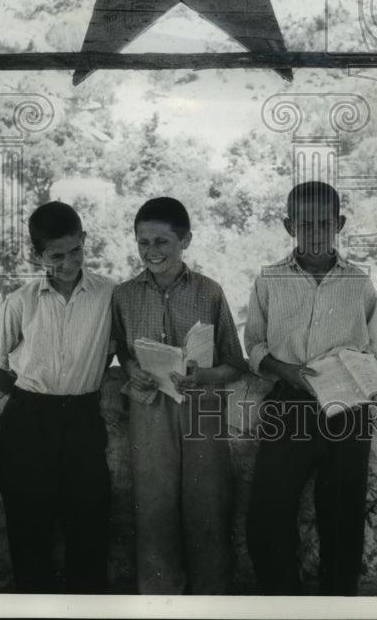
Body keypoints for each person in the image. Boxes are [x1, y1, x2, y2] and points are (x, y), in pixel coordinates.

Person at [244, 181, 377, 596]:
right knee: (268, 511)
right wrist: (283, 370)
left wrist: (358, 375)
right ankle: (283, 600)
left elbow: (374, 344)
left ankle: (337, 603)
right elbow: (253, 344)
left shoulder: (358, 282)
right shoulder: (269, 279)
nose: (316, 232)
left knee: (342, 513)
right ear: (289, 226)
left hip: (348, 407)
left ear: (339, 223)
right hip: (290, 402)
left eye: (325, 223)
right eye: (305, 224)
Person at [0, 201, 115, 594]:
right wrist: (30, 394)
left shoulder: (109, 295)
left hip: (83, 422)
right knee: (29, 537)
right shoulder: (22, 301)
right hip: (27, 424)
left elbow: (109, 354)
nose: (69, 263)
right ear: (37, 256)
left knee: (89, 531)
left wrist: (79, 385)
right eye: (56, 256)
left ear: (84, 241)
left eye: (75, 251)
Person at [112, 196, 245, 594]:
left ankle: (210, 599)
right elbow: (121, 350)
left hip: (203, 407)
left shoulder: (210, 292)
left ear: (186, 240)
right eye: (143, 243)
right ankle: (159, 599)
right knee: (153, 508)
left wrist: (203, 375)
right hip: (150, 408)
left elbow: (235, 364)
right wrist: (134, 370)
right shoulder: (123, 295)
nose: (151, 252)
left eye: (162, 242)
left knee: (207, 506)